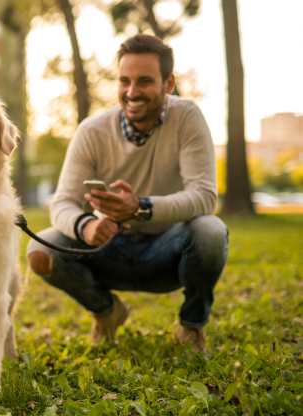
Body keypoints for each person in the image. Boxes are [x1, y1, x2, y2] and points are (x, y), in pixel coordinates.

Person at [26, 34, 228, 352]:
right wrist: (87, 226)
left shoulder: (187, 118)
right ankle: (107, 312)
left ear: (168, 83)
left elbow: (204, 196)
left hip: (168, 252)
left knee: (211, 231)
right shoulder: (92, 131)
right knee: (42, 249)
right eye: (124, 81)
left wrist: (141, 207)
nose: (132, 92)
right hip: (108, 251)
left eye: (144, 81)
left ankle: (191, 326)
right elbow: (62, 202)